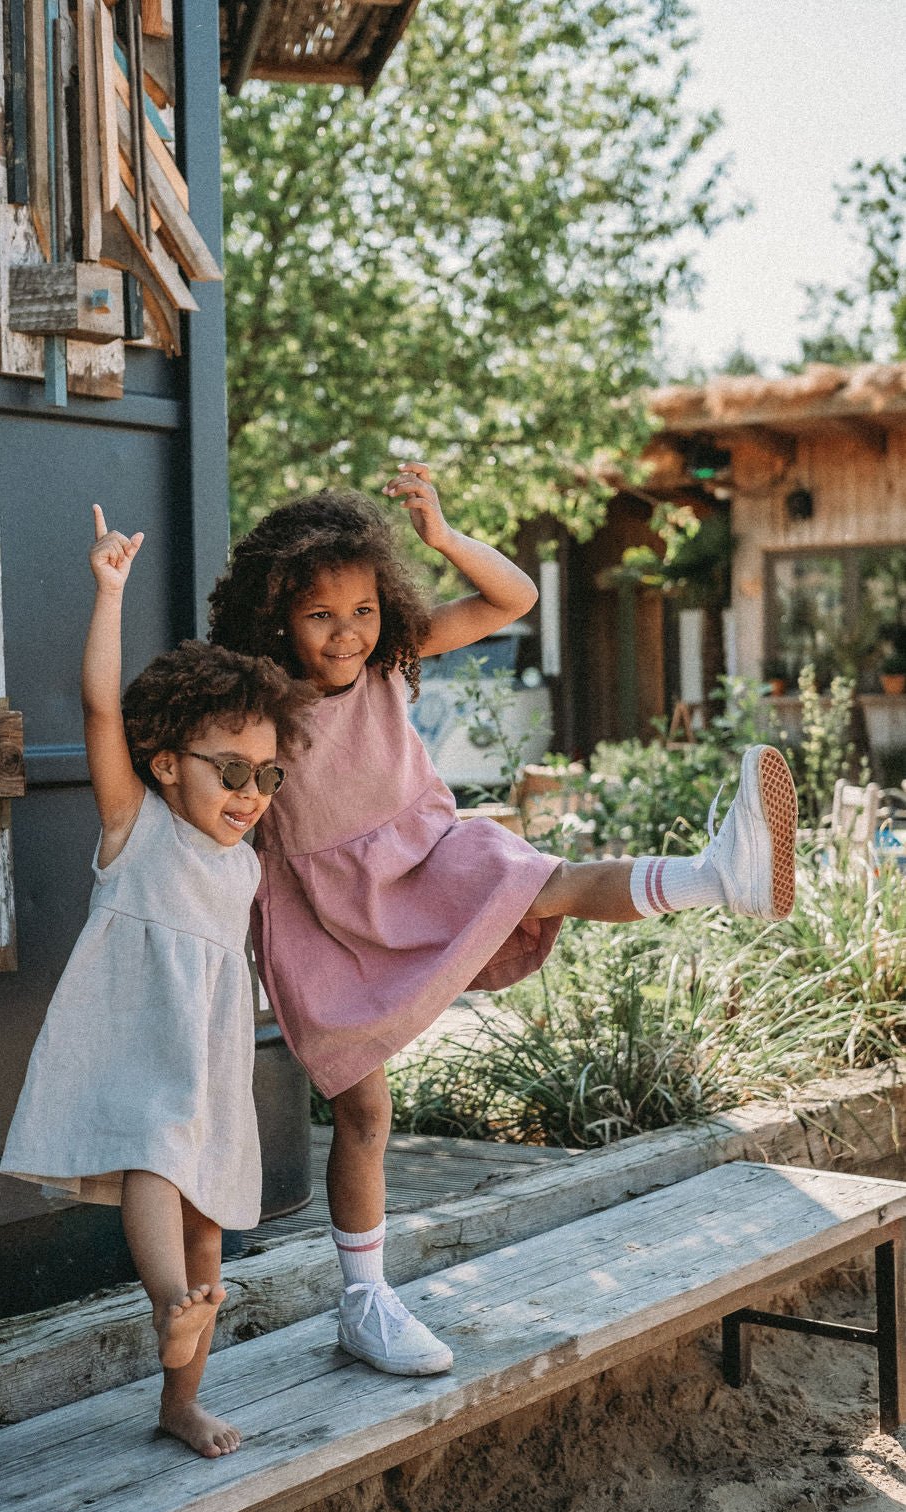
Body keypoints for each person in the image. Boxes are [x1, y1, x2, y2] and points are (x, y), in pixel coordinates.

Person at [208, 464, 797, 1379]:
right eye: (321, 615)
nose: (347, 633)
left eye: (363, 610)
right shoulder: (254, 702)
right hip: (318, 912)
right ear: (276, 615)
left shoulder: (394, 656)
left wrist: (442, 534)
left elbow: (510, 594)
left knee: (540, 878)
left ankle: (720, 877)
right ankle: (364, 1299)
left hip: (426, 853)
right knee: (363, 1111)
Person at [2, 506, 313, 1456]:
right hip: (136, 1030)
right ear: (168, 761)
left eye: (266, 775)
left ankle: (181, 1397)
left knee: (208, 1223)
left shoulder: (243, 862)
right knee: (155, 1156)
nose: (250, 794)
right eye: (230, 771)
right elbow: (101, 706)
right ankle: (168, 1300)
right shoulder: (136, 829)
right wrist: (109, 590)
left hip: (207, 1044)